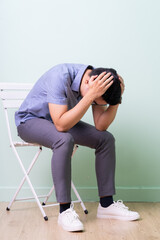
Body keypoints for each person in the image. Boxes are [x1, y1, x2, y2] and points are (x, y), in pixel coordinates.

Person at [15, 63, 140, 232]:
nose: (95, 103)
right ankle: (65, 211)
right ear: (89, 81)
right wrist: (91, 97)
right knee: (64, 139)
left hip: (60, 120)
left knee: (105, 139)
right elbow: (60, 125)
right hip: (30, 121)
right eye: (96, 101)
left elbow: (101, 126)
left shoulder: (96, 84)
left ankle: (107, 205)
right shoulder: (60, 76)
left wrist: (115, 102)